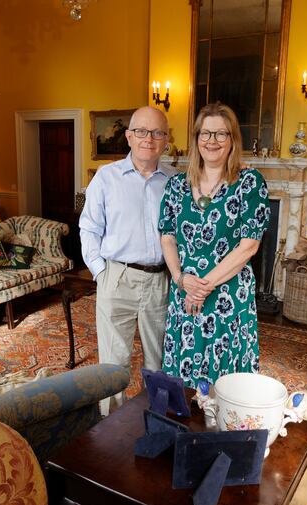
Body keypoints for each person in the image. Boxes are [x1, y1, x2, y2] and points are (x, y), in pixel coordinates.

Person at [158, 102, 270, 388]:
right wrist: (181, 280)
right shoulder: (176, 185)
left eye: (221, 134)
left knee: (226, 382)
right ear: (196, 139)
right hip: (184, 291)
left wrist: (203, 287)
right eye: (206, 134)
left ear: (232, 140)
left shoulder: (250, 183)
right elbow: (167, 236)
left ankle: (224, 431)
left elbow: (249, 246)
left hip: (228, 294)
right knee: (184, 377)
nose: (212, 141)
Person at [79, 106, 177, 415]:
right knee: (113, 364)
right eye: (141, 131)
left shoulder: (175, 182)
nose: (149, 138)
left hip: (160, 281)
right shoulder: (106, 178)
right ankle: (109, 432)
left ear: (166, 139)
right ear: (128, 136)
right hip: (117, 278)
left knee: (158, 361)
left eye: (157, 132)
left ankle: (156, 421)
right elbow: (89, 227)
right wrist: (100, 272)